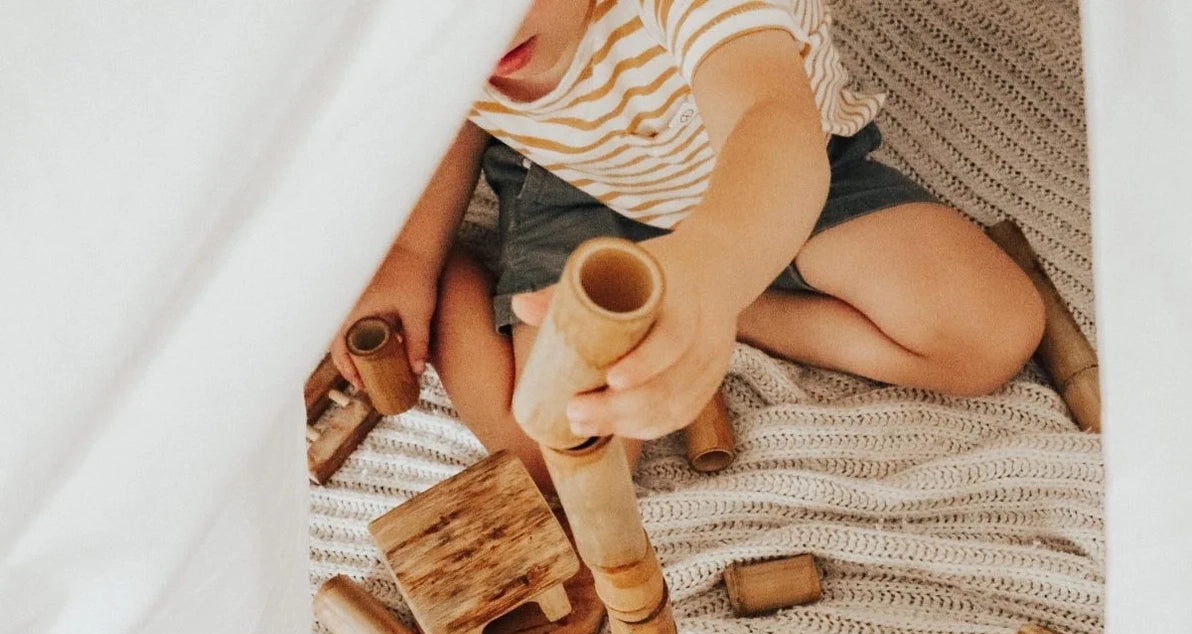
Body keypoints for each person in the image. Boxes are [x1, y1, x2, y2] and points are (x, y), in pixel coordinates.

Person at [331, 0, 1044, 490]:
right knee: (559, 454)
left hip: (766, 173)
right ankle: (453, 277)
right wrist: (412, 256)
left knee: (990, 331)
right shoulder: (443, 32)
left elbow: (770, 122)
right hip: (584, 186)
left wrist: (712, 277)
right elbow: (449, 112)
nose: (479, 32)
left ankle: (736, 304)